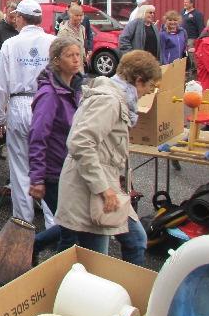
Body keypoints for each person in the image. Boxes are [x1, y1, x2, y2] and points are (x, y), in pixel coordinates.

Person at [55, 50, 162, 255]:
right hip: (91, 189)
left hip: (101, 184)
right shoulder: (110, 101)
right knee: (94, 261)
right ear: (139, 80)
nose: (149, 92)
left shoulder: (116, 98)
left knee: (136, 240)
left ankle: (124, 285)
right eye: (149, 86)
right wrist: (104, 189)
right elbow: (80, 142)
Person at [0, 0, 55, 225]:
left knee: (20, 170)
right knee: (48, 166)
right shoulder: (54, 42)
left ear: (21, 18)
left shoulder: (11, 44)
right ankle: (53, 225)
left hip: (20, 105)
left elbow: (0, 84)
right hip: (48, 105)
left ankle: (23, 224)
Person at [28, 36, 84, 257]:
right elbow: (37, 136)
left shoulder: (76, 88)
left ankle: (34, 246)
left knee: (73, 224)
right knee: (71, 229)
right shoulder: (49, 94)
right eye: (70, 55)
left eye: (78, 54)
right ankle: (60, 276)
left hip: (70, 168)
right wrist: (37, 178)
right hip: (54, 172)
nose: (76, 60)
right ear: (56, 60)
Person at [182, 0, 204, 75]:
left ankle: (196, 73)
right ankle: (187, 72)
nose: (184, 4)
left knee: (193, 57)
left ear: (192, 4)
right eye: (184, 2)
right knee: (184, 56)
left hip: (192, 39)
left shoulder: (197, 14)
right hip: (183, 39)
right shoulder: (182, 12)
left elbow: (201, 28)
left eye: (187, 2)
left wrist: (198, 42)